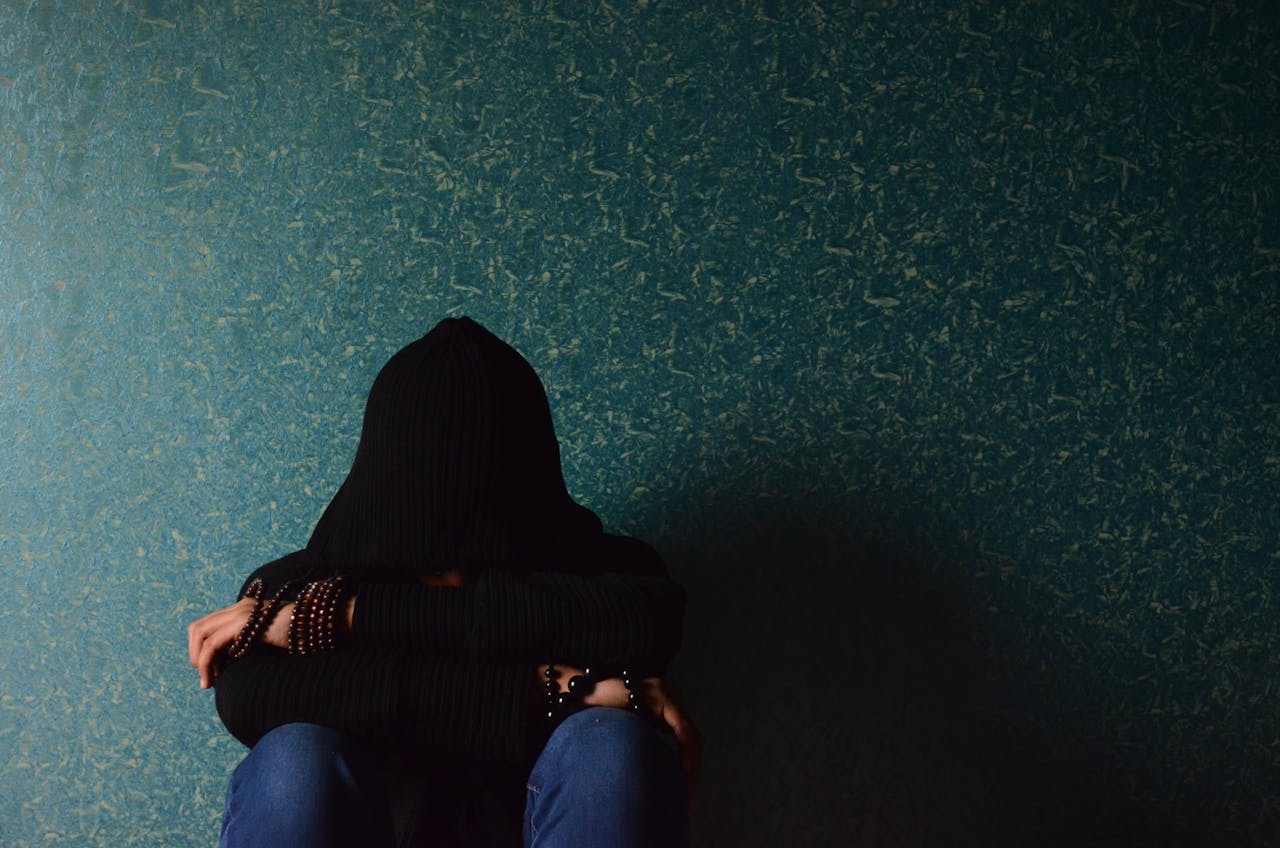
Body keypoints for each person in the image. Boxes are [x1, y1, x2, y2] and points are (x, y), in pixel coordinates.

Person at [186, 316, 700, 847]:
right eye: (428, 560)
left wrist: (345, 616)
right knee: (296, 758)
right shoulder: (294, 585)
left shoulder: (612, 580)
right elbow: (248, 699)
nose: (457, 578)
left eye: (489, 560)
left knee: (609, 747)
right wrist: (554, 688)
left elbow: (648, 623)